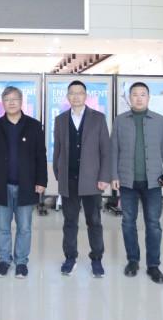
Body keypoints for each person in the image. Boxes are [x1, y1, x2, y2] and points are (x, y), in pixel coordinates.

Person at [110, 82, 163, 283]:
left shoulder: (159, 120)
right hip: (127, 181)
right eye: (135, 94)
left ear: (148, 97)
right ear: (129, 98)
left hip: (153, 181)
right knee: (128, 222)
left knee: (153, 224)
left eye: (143, 94)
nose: (139, 98)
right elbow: (114, 150)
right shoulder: (120, 120)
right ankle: (133, 260)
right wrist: (114, 175)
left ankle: (153, 265)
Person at [0, 86, 47, 279]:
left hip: (26, 185)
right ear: (3, 103)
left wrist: (41, 180)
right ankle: (4, 260)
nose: (11, 103)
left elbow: (41, 155)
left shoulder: (34, 126)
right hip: (2, 185)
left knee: (24, 227)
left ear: (21, 101)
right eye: (7, 99)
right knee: (2, 227)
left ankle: (21, 262)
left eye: (15, 99)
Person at [53, 80, 110, 277]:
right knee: (70, 222)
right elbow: (57, 149)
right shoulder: (60, 120)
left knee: (94, 221)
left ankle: (97, 259)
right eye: (72, 93)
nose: (76, 96)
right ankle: (70, 258)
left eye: (80, 93)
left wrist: (104, 177)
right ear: (67, 96)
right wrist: (59, 174)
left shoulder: (98, 118)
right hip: (68, 180)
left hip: (92, 181)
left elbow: (105, 150)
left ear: (86, 96)